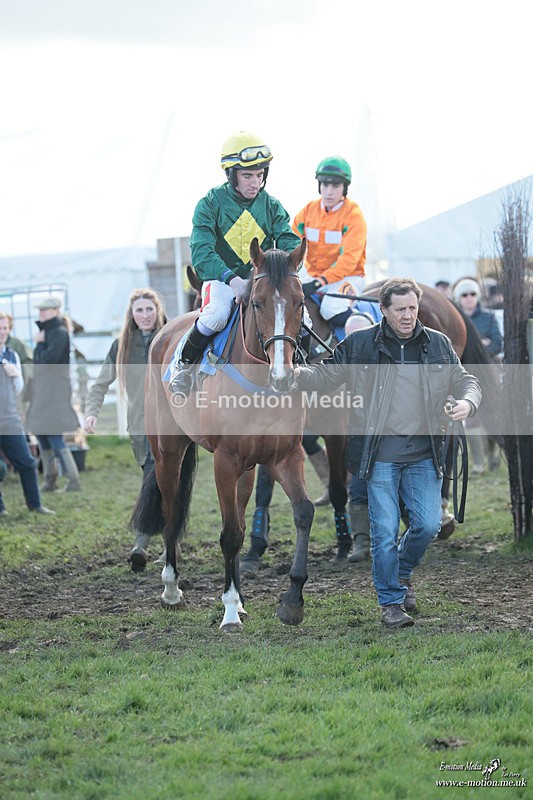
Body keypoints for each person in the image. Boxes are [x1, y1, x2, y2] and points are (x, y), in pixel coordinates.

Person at [294, 277, 481, 628]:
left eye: (412, 308)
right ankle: (391, 603)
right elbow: (325, 375)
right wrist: (296, 373)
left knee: (426, 526)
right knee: (383, 531)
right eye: (401, 310)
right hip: (378, 456)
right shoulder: (360, 344)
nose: (409, 315)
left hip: (425, 455)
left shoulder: (438, 344)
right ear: (383, 310)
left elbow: (466, 380)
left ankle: (403, 572)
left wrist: (468, 402)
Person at [169, 131, 302, 396]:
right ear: (231, 175)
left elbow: (287, 237)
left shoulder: (272, 206)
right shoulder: (209, 204)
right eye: (248, 175)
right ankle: (181, 366)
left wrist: (292, 267)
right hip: (221, 280)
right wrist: (233, 280)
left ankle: (304, 371)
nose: (256, 182)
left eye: (260, 174)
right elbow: (202, 252)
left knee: (301, 315)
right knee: (217, 314)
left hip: (263, 281)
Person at [83, 288, 166, 571]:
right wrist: (91, 413)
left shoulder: (171, 339)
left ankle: (141, 545)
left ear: (158, 311)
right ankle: (170, 545)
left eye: (149, 309)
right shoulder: (122, 346)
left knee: (157, 482)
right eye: (139, 310)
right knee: (158, 483)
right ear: (132, 315)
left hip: (171, 425)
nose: (145, 315)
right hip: (140, 428)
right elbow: (100, 383)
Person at [293, 156, 367, 342]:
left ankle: (366, 331)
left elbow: (349, 260)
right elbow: (291, 244)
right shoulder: (308, 211)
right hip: (314, 274)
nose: (329, 191)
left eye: (335, 186)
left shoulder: (354, 215)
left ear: (344, 188)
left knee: (330, 308)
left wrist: (319, 282)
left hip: (348, 277)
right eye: (324, 185)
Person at [25, 296, 81, 493]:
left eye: (45, 310)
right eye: (40, 310)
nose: (41, 313)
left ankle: (73, 480)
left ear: (55, 311)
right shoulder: (47, 332)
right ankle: (50, 480)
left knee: (55, 438)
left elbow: (47, 362)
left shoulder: (58, 333)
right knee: (42, 437)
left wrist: (39, 344)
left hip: (54, 395)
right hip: (42, 394)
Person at [0, 311, 54, 516]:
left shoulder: (12, 354)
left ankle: (35, 505)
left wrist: (14, 374)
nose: (2, 332)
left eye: (5, 328)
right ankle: (0, 509)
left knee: (27, 462)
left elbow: (18, 388)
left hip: (9, 417)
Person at [454, 277, 502, 474]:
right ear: (459, 298)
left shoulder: (488, 317)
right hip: (464, 372)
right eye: (464, 295)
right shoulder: (455, 319)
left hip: (486, 371)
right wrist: (480, 343)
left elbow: (497, 344)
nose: (469, 298)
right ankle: (477, 463)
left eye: (473, 294)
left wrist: (481, 348)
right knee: (470, 418)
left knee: (489, 413)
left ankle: (492, 454)